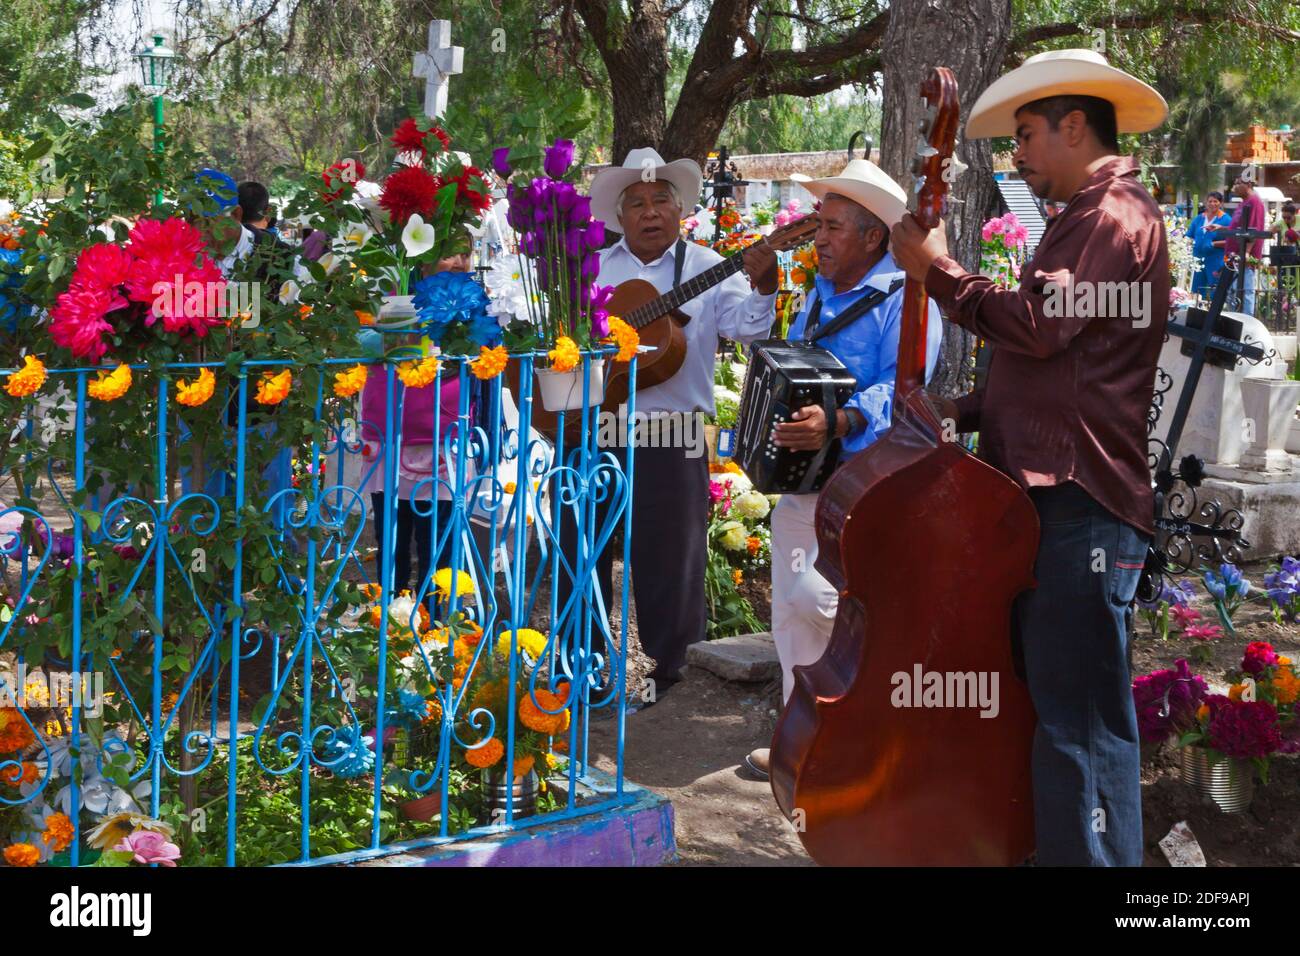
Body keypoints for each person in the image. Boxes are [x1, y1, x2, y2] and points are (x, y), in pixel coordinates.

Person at [891, 48, 1169, 867]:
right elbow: (1058, 369)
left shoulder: (1110, 214)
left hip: (1080, 509)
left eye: (1024, 136)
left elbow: (1041, 327)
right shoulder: (1095, 213)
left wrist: (936, 271)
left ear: (1074, 126)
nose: (1015, 156)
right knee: (1063, 716)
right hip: (1060, 503)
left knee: (1079, 725)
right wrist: (964, 409)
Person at [743, 159, 942, 780]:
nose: (818, 237)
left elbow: (907, 392)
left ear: (874, 237)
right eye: (819, 225)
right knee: (790, 611)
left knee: (829, 604)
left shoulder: (907, 300)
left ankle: (870, 733)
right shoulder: (817, 293)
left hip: (866, 488)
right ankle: (802, 744)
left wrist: (841, 420)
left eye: (831, 227)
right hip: (806, 484)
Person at [569, 147, 778, 704]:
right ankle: (580, 679)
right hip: (596, 429)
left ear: (679, 209)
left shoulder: (708, 265)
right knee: (580, 555)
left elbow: (747, 329)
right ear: (619, 215)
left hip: (674, 431)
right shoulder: (594, 267)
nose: (650, 211)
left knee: (673, 567)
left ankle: (674, 686)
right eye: (636, 202)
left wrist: (763, 288)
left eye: (661, 199)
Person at [1211, 174, 1266, 314]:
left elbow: (1254, 229)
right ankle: (1233, 322)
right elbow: (1239, 227)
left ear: (1247, 185)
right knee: (1231, 292)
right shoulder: (1243, 202)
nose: (1234, 187)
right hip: (1232, 257)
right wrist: (1222, 228)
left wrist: (1247, 252)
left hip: (1243, 258)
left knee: (1245, 291)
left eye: (1237, 183)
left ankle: (1247, 324)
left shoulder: (1255, 202)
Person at [1188, 191, 1230, 297]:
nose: (1212, 204)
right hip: (1198, 260)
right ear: (1206, 203)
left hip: (1215, 260)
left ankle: (1214, 313)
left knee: (1215, 291)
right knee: (1196, 290)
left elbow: (1231, 241)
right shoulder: (1199, 218)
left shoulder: (1226, 220)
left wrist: (1213, 244)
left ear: (1221, 203)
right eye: (1210, 201)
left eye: (1215, 201)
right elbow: (1189, 236)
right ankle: (1197, 312)